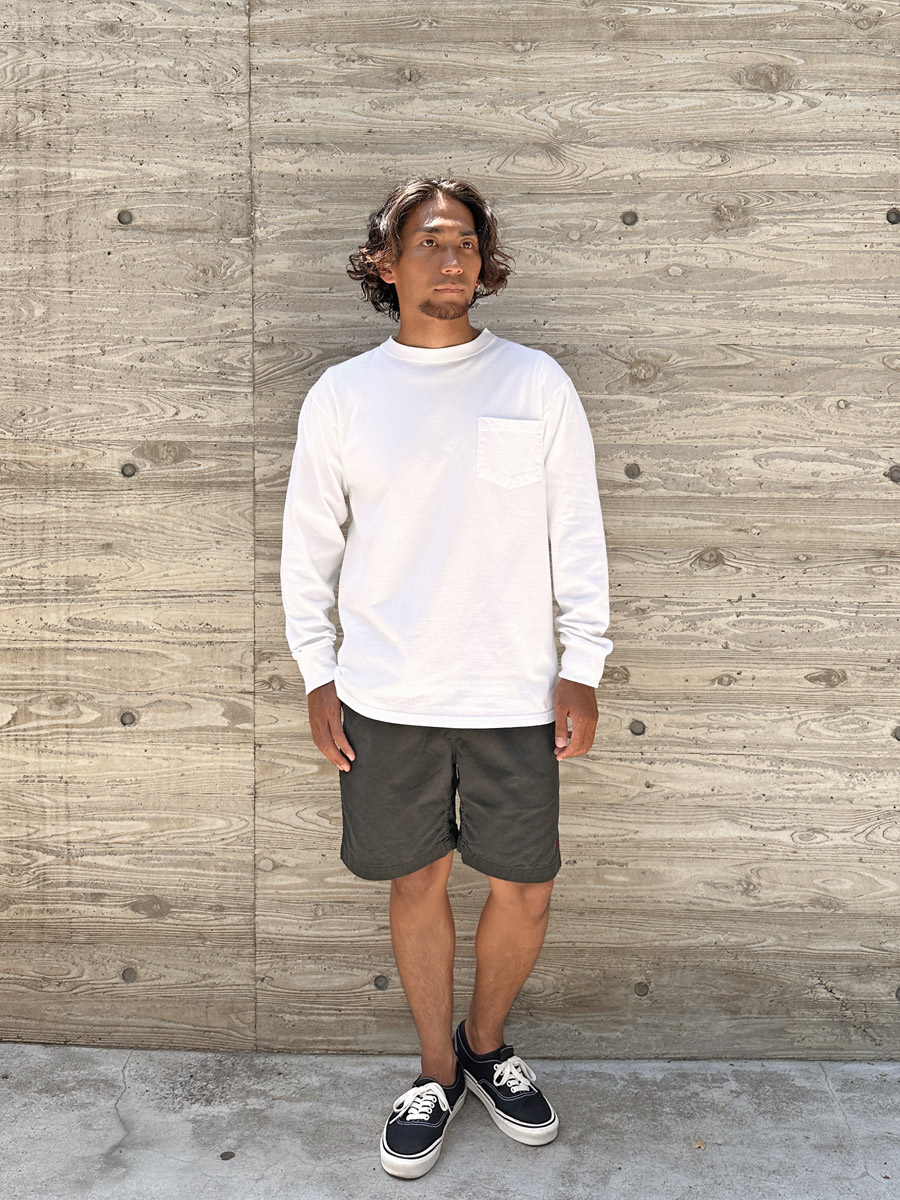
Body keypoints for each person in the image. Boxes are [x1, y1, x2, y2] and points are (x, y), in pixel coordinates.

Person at [280, 176, 613, 1179]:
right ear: (386, 264)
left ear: (484, 260)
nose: (452, 256)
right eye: (428, 240)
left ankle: (485, 1044)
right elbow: (309, 549)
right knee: (415, 881)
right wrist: (317, 673)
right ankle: (434, 1071)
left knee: (526, 888)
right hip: (387, 694)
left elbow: (577, 533)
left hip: (518, 693)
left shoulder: (536, 384)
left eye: (465, 240)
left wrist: (583, 664)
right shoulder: (345, 396)